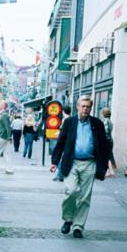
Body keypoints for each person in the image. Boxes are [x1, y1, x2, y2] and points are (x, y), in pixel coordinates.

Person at [50, 96, 110, 238]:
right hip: (72, 162)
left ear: (91, 108)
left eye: (88, 106)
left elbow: (104, 145)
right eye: (83, 106)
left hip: (89, 163)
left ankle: (78, 226)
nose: (85, 109)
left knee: (84, 197)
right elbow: (61, 142)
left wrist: (105, 165)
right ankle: (68, 219)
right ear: (77, 107)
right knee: (70, 191)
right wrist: (54, 161)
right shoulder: (69, 122)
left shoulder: (97, 123)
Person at [0, 101, 14, 174]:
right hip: (5, 136)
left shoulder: (4, 115)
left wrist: (9, 136)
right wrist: (9, 137)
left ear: (4, 106)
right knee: (6, 153)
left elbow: (7, 127)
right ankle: (9, 169)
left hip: (2, 136)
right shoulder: (4, 114)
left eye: (0, 104)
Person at [101, 108, 115, 174]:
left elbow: (105, 131)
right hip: (110, 140)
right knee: (109, 155)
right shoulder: (110, 121)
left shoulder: (106, 121)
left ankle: (109, 171)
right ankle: (110, 170)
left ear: (104, 114)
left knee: (106, 155)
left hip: (106, 140)